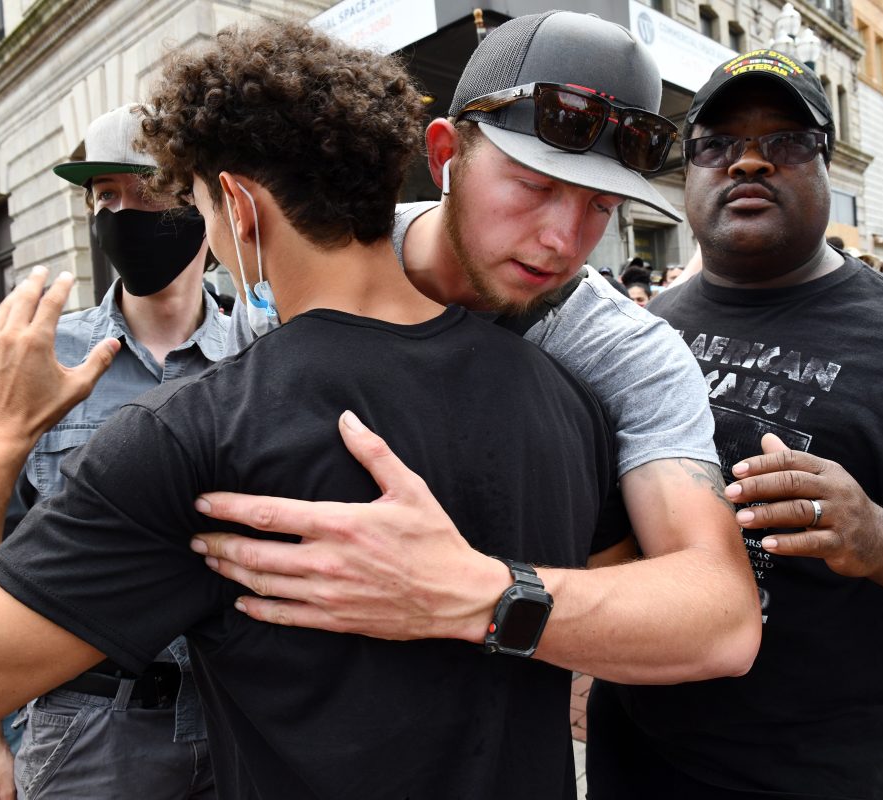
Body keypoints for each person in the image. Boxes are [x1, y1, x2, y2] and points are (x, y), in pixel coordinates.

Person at [0, 20, 633, 799]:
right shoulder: (568, 401)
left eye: (196, 204)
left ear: (237, 203)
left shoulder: (199, 432)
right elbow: (616, 611)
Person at [199, 9, 758, 688]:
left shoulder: (627, 353)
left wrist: (473, 595)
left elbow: (723, 619)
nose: (563, 240)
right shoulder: (309, 263)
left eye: (601, 206)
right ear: (444, 155)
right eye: (535, 186)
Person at [582, 49, 883, 798]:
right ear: (689, 171)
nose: (749, 162)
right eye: (718, 144)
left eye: (786, 142)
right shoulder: (636, 334)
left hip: (831, 775)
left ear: (827, 166)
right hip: (636, 757)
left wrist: (879, 537)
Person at [0, 104, 226, 800]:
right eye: (106, 197)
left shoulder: (260, 349)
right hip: (87, 723)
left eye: (149, 191)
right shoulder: (44, 354)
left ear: (199, 202)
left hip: (238, 710)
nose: (123, 214)